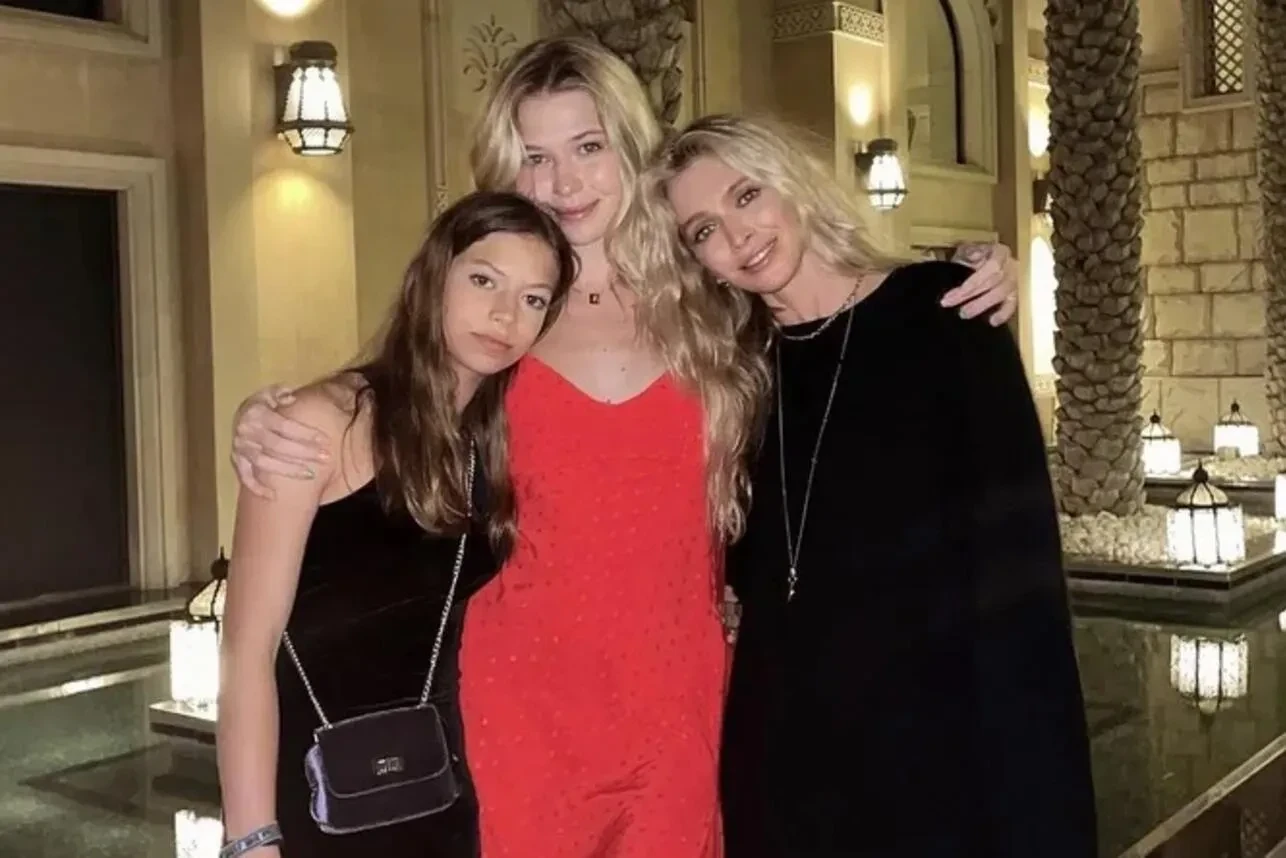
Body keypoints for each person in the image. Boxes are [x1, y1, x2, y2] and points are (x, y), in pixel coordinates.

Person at [226, 36, 1023, 858]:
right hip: (521, 711)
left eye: (588, 146)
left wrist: (959, 273)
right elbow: (401, 386)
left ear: (630, 148)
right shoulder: (506, 312)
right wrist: (274, 415)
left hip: (679, 708)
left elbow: (834, 332)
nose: (565, 182)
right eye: (535, 157)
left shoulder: (714, 299)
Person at [623, 112, 1097, 857]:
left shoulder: (945, 312)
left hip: (936, 765)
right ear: (699, 262)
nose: (738, 236)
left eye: (747, 195)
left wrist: (1045, 818)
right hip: (780, 771)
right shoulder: (731, 379)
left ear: (791, 183)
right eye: (704, 230)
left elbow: (1024, 582)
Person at [215, 191, 576, 858]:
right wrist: (250, 839)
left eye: (533, 299)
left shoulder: (486, 442)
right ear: (432, 278)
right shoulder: (323, 423)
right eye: (483, 280)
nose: (505, 314)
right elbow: (246, 649)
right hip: (314, 794)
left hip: (432, 791)